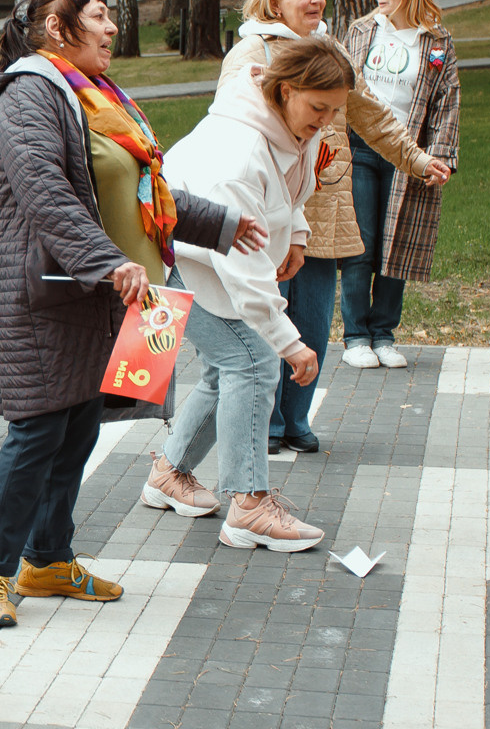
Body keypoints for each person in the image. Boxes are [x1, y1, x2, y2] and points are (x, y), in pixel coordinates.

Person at [0, 0, 264, 626]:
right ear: (57, 29)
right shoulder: (28, 95)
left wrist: (218, 223)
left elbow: (135, 189)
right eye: (98, 17)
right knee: (37, 429)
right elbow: (47, 192)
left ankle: (47, 560)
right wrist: (106, 262)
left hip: (100, 291)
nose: (110, 29)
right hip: (47, 290)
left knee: (74, 426)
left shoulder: (97, 96)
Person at [219, 0, 450, 452]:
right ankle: (267, 424)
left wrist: (416, 159)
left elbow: (373, 113)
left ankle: (295, 421)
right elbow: (228, 129)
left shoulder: (329, 49)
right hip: (267, 216)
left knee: (315, 323)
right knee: (268, 321)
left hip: (322, 217)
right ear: (275, 0)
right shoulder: (252, 51)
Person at [142, 37, 357, 553]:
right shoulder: (238, 154)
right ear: (285, 91)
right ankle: (250, 505)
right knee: (255, 361)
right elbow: (242, 269)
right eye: (317, 107)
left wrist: (297, 235)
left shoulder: (282, 123)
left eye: (335, 110)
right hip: (176, 264)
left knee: (229, 367)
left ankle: (169, 473)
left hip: (203, 261)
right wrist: (289, 341)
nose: (325, 121)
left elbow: (289, 189)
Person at [339, 0, 461, 369]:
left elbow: (448, 104)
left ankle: (383, 335)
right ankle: (355, 336)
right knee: (361, 242)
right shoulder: (360, 31)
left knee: (398, 243)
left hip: (409, 153)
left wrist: (439, 158)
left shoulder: (437, 42)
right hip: (358, 148)